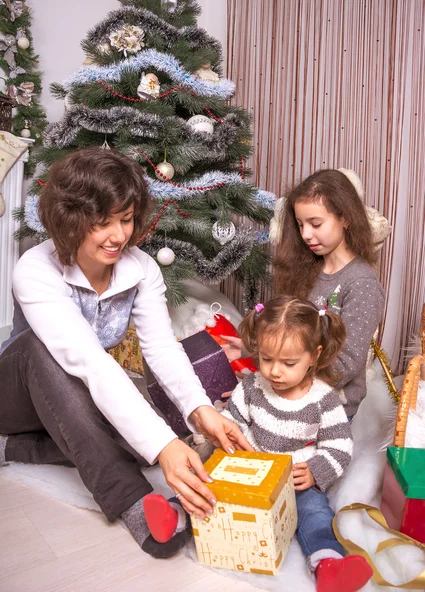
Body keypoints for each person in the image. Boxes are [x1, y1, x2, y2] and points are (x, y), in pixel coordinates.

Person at [0, 147, 252, 559]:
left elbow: (161, 349)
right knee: (40, 350)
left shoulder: (141, 269)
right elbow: (91, 364)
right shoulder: (35, 268)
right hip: (16, 393)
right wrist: (165, 448)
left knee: (150, 436)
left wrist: (200, 410)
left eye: (126, 219)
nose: (118, 235)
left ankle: (11, 449)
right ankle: (136, 503)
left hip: (72, 400)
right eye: (102, 223)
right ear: (70, 220)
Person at [141, 297, 373, 591]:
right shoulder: (251, 386)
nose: (275, 372)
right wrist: (233, 446)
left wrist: (315, 470)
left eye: (289, 363)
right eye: (266, 359)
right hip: (249, 469)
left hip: (294, 478)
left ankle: (328, 564)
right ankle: (172, 516)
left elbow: (339, 447)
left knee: (315, 514)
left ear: (314, 356)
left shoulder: (323, 399)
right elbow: (233, 420)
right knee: (206, 489)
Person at [223, 169, 385, 419]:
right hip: (291, 393)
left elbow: (344, 366)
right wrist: (251, 350)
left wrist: (273, 390)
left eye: (316, 224)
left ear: (345, 218)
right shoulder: (306, 270)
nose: (306, 234)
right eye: (300, 225)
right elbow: (290, 338)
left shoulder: (361, 283)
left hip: (328, 409)